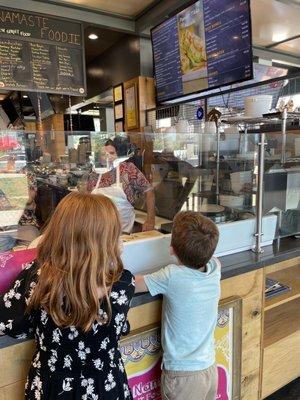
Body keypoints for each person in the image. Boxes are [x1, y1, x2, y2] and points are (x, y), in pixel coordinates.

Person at [0, 192, 135, 400]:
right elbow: (117, 328)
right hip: (105, 388)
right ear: (104, 241)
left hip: (51, 387)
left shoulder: (37, 277)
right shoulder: (122, 283)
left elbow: (16, 325)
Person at [135, 211, 221, 400]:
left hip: (183, 376)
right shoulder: (215, 268)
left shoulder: (171, 276)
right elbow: (212, 259)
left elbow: (133, 285)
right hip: (209, 367)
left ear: (171, 249)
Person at [88, 137, 155, 233]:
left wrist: (150, 220)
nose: (108, 157)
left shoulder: (127, 169)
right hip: (99, 231)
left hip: (123, 231)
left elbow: (149, 191)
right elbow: (88, 200)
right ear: (99, 157)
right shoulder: (95, 174)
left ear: (117, 155)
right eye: (104, 154)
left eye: (112, 153)